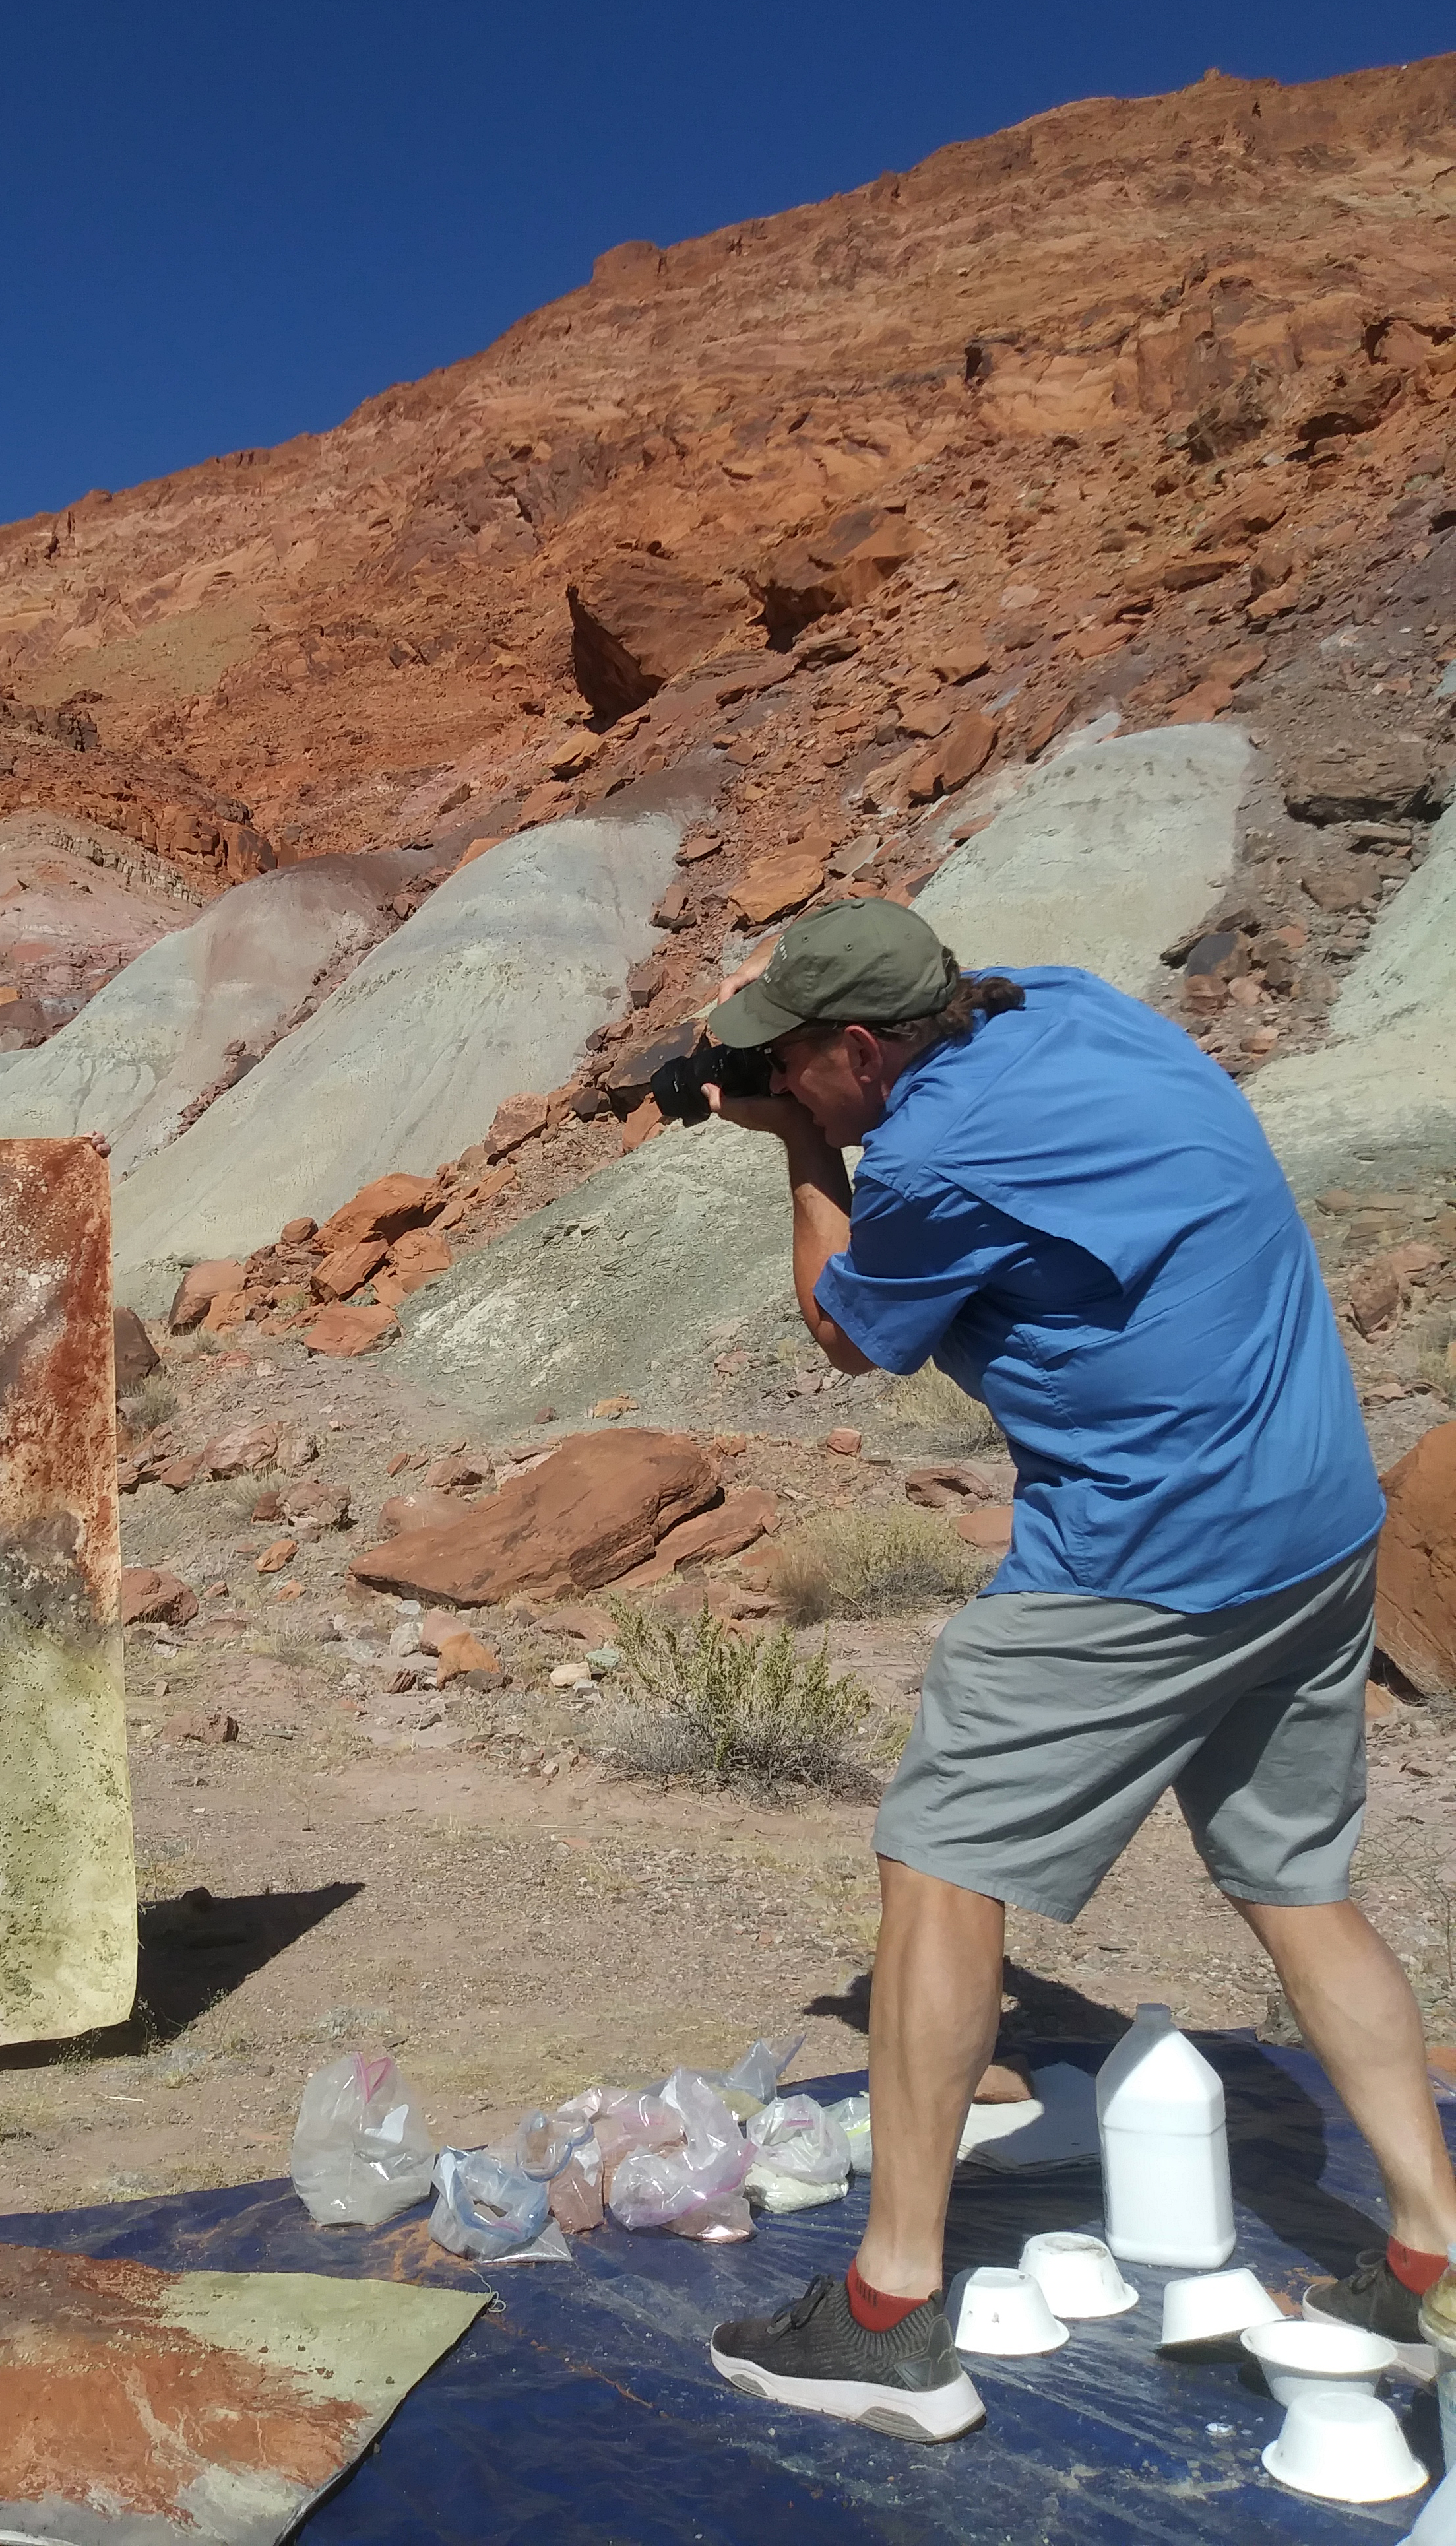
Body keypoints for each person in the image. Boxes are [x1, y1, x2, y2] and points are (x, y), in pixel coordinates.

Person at [695, 897, 1456, 2444]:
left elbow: (850, 1332)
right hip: (1311, 1523)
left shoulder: (924, 1159)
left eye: (800, 1058)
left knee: (934, 1862)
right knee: (1295, 1885)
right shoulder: (1068, 1002)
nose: (787, 1074)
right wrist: (747, 1036)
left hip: (1144, 1551)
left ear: (856, 1050)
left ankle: (890, 2313)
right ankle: (1432, 2258)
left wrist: (790, 1144)